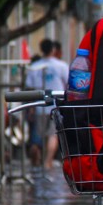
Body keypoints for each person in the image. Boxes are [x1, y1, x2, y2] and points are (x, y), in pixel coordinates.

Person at [24, 38, 69, 169]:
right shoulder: (61, 66)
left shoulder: (34, 67)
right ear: (53, 50)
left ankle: (36, 161)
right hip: (56, 105)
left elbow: (30, 87)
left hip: (39, 104)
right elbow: (67, 84)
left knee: (37, 136)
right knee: (53, 135)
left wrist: (31, 108)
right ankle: (47, 161)